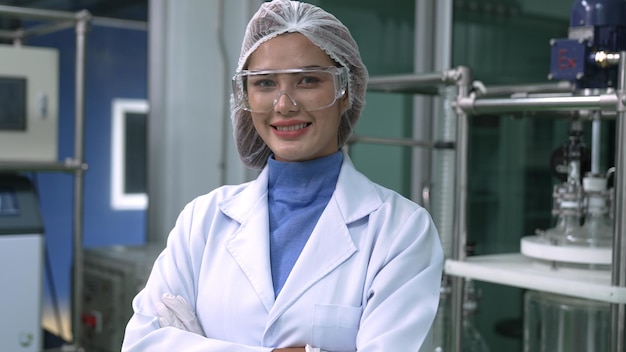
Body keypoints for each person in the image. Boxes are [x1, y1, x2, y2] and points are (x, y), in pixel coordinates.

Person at [121, 0, 443, 351]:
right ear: (245, 96)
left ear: (345, 92)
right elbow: (142, 344)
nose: (284, 105)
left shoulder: (401, 231)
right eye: (265, 83)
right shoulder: (203, 219)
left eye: (308, 80)